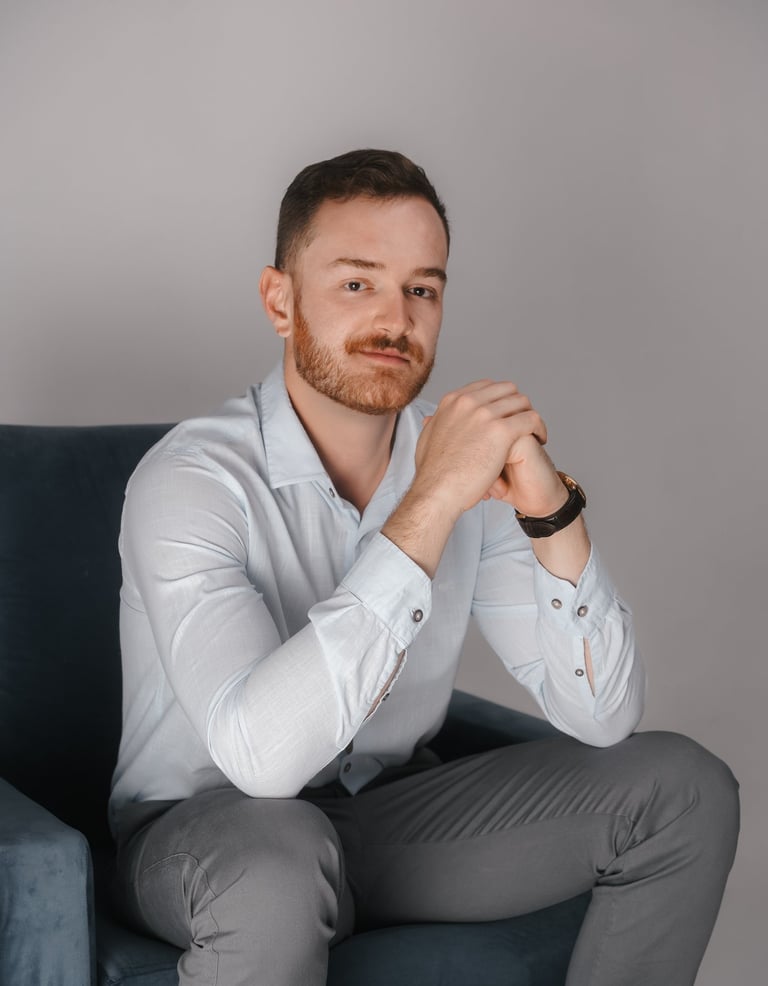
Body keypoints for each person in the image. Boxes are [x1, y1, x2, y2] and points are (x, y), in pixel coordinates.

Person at [110, 148, 739, 986]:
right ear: (280, 301)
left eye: (423, 289)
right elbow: (259, 760)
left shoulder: (462, 460)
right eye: (357, 283)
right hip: (208, 831)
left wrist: (551, 514)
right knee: (275, 865)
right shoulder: (191, 479)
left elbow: (603, 716)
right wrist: (433, 500)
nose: (395, 318)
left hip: (392, 821)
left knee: (684, 789)